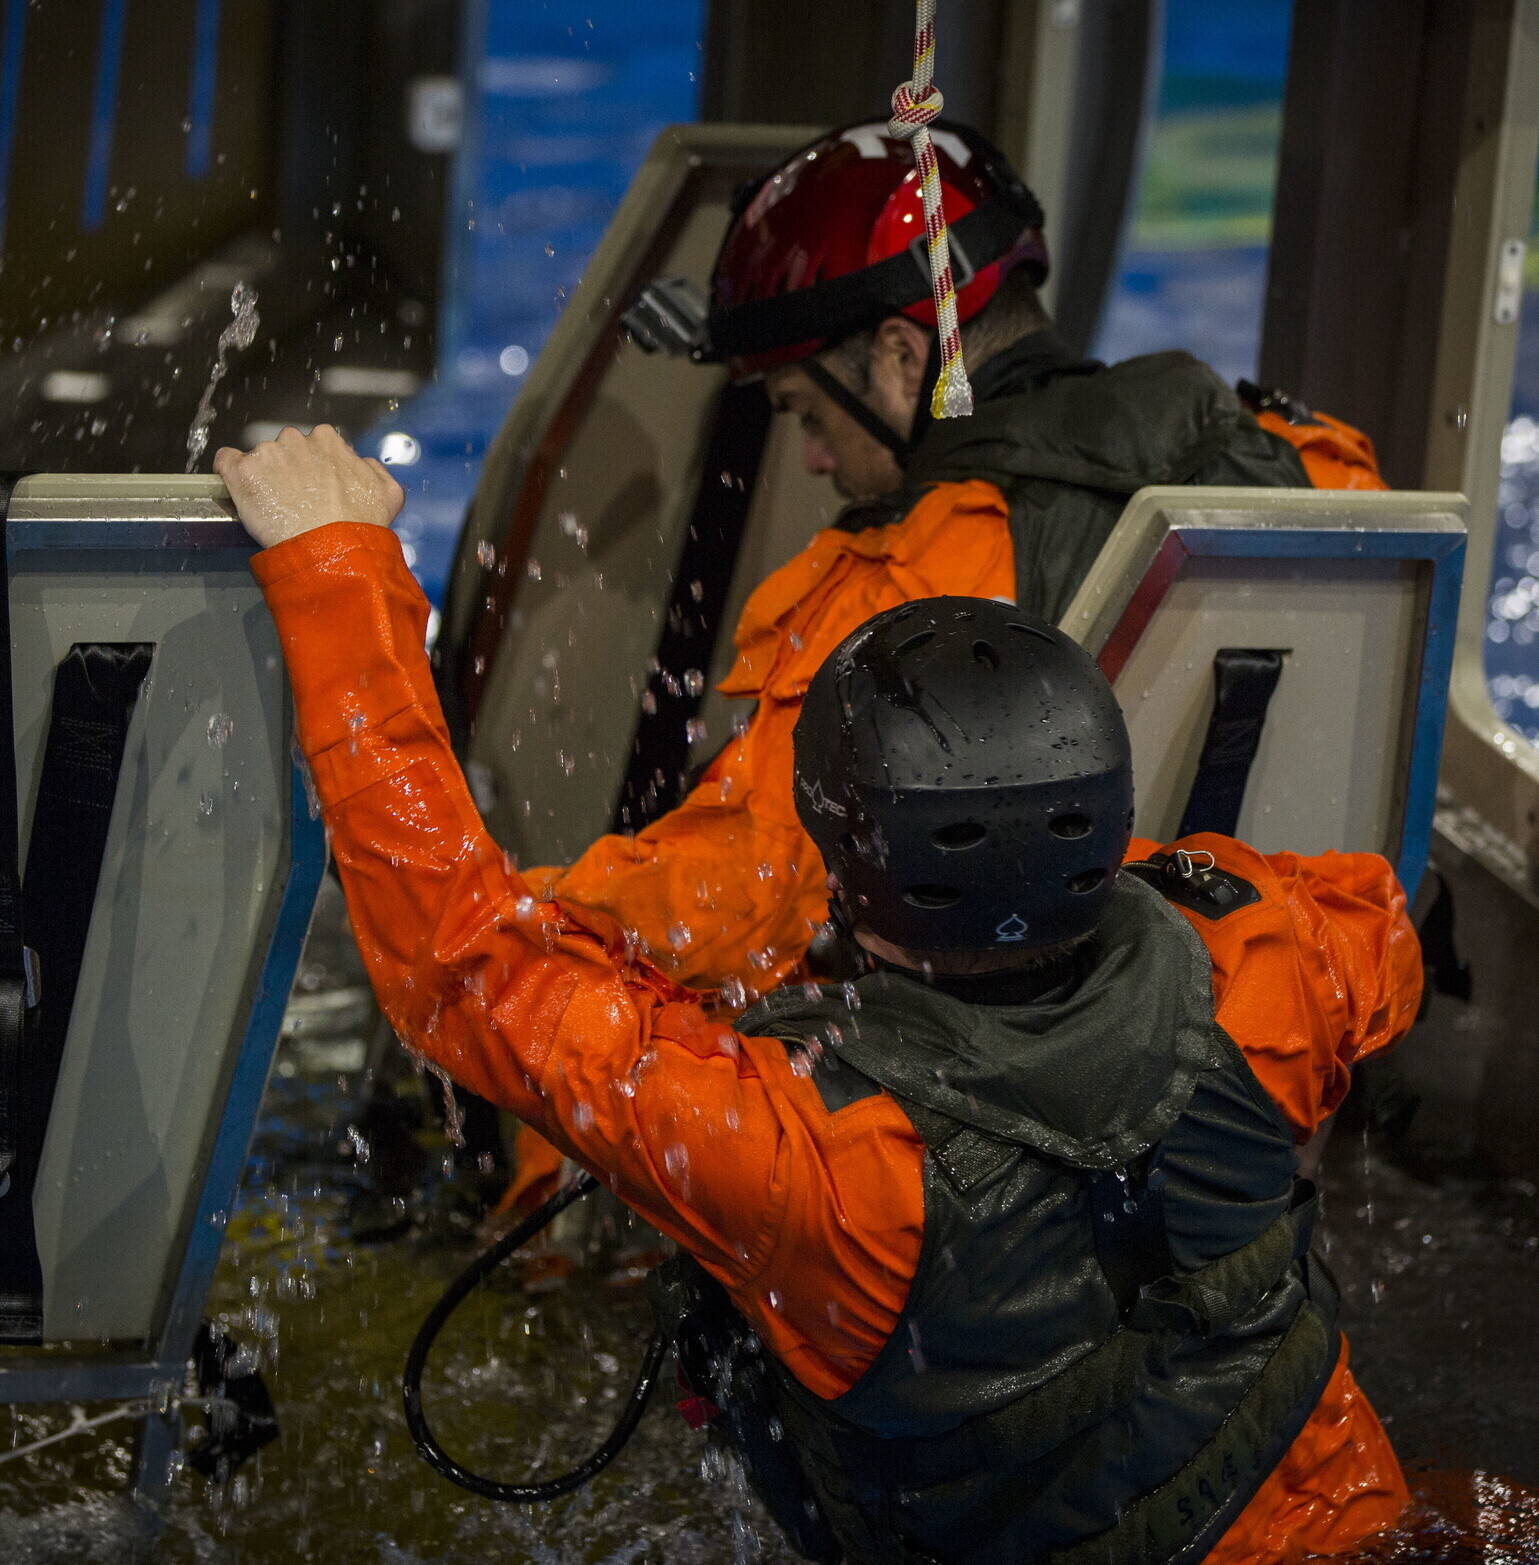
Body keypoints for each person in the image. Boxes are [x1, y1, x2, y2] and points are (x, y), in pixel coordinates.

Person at [215, 425, 1421, 1562]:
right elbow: (1383, 924)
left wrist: (335, 565)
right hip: (1349, 1525)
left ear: (840, 858)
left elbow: (464, 961)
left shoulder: (809, 1160)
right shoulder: (1270, 958)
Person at [492, 118, 1390, 1215]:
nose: (814, 457)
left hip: (964, 1156)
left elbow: (732, 908)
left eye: (805, 411)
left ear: (903, 353)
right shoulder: (1321, 472)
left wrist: (504, 928)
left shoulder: (912, 585)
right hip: (1252, 1090)